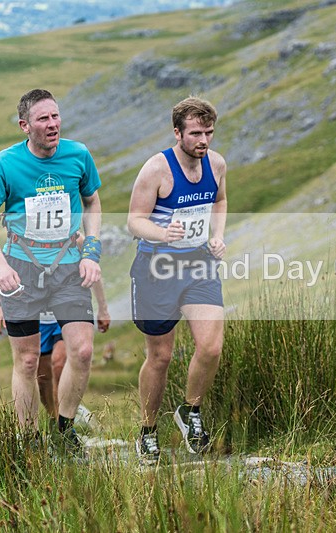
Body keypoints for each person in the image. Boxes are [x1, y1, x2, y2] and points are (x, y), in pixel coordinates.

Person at [0, 88, 102, 454]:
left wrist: (92, 252)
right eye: (43, 119)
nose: (52, 125)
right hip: (21, 270)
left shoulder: (78, 155)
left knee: (81, 352)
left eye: (55, 116)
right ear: (25, 126)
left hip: (67, 267)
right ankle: (29, 440)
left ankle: (64, 432)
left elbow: (93, 201)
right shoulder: (5, 163)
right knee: (29, 359)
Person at [127, 96, 227, 464]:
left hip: (198, 265)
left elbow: (220, 201)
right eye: (196, 133)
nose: (204, 140)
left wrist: (217, 235)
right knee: (161, 356)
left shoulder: (216, 164)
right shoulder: (156, 170)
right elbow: (134, 221)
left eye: (209, 132)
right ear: (177, 133)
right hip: (157, 269)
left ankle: (191, 412)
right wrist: (161, 232)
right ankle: (147, 431)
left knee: (211, 347)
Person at [0, 267, 111, 423]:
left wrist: (103, 307)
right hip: (36, 315)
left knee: (59, 362)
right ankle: (54, 419)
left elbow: (92, 268)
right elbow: (4, 266)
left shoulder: (74, 241)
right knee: (41, 377)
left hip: (63, 312)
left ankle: (65, 423)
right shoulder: (21, 244)